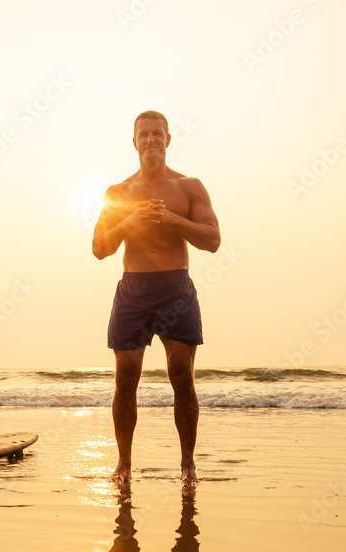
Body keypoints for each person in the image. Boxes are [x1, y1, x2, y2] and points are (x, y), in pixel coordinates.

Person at [92, 110, 221, 487]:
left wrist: (171, 220)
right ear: (134, 142)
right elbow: (100, 248)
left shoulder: (189, 187)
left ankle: (187, 466)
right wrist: (130, 222)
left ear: (168, 139)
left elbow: (212, 240)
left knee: (181, 376)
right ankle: (124, 466)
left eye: (157, 134)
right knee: (125, 378)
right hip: (133, 289)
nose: (150, 140)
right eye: (143, 134)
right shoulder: (117, 193)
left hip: (175, 289)